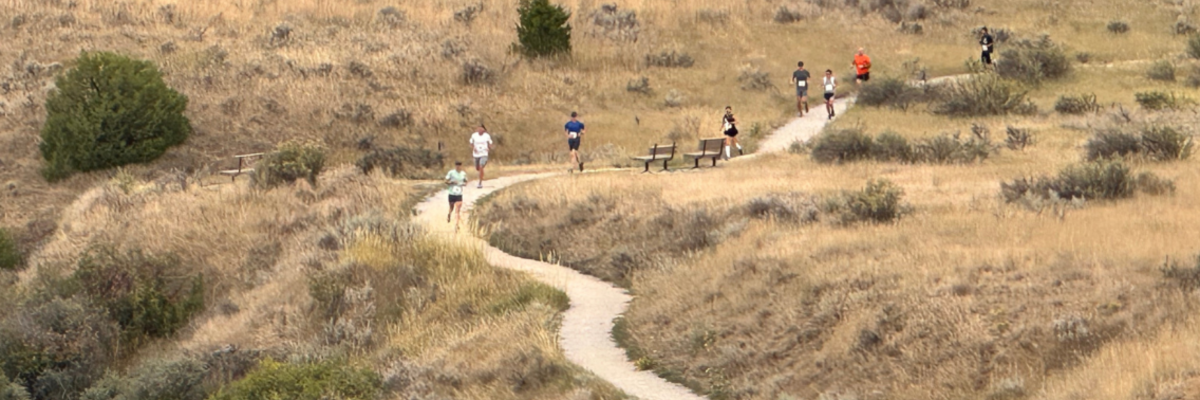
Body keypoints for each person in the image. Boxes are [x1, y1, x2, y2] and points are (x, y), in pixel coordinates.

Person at [445, 161, 467, 231]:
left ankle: (456, 225)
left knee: (457, 210)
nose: (458, 166)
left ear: (461, 166)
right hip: (451, 193)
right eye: (457, 165)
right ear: (455, 166)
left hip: (459, 194)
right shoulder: (451, 173)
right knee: (451, 207)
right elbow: (446, 181)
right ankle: (449, 214)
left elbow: (466, 182)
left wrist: (463, 184)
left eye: (459, 165)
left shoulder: (463, 174)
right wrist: (451, 182)